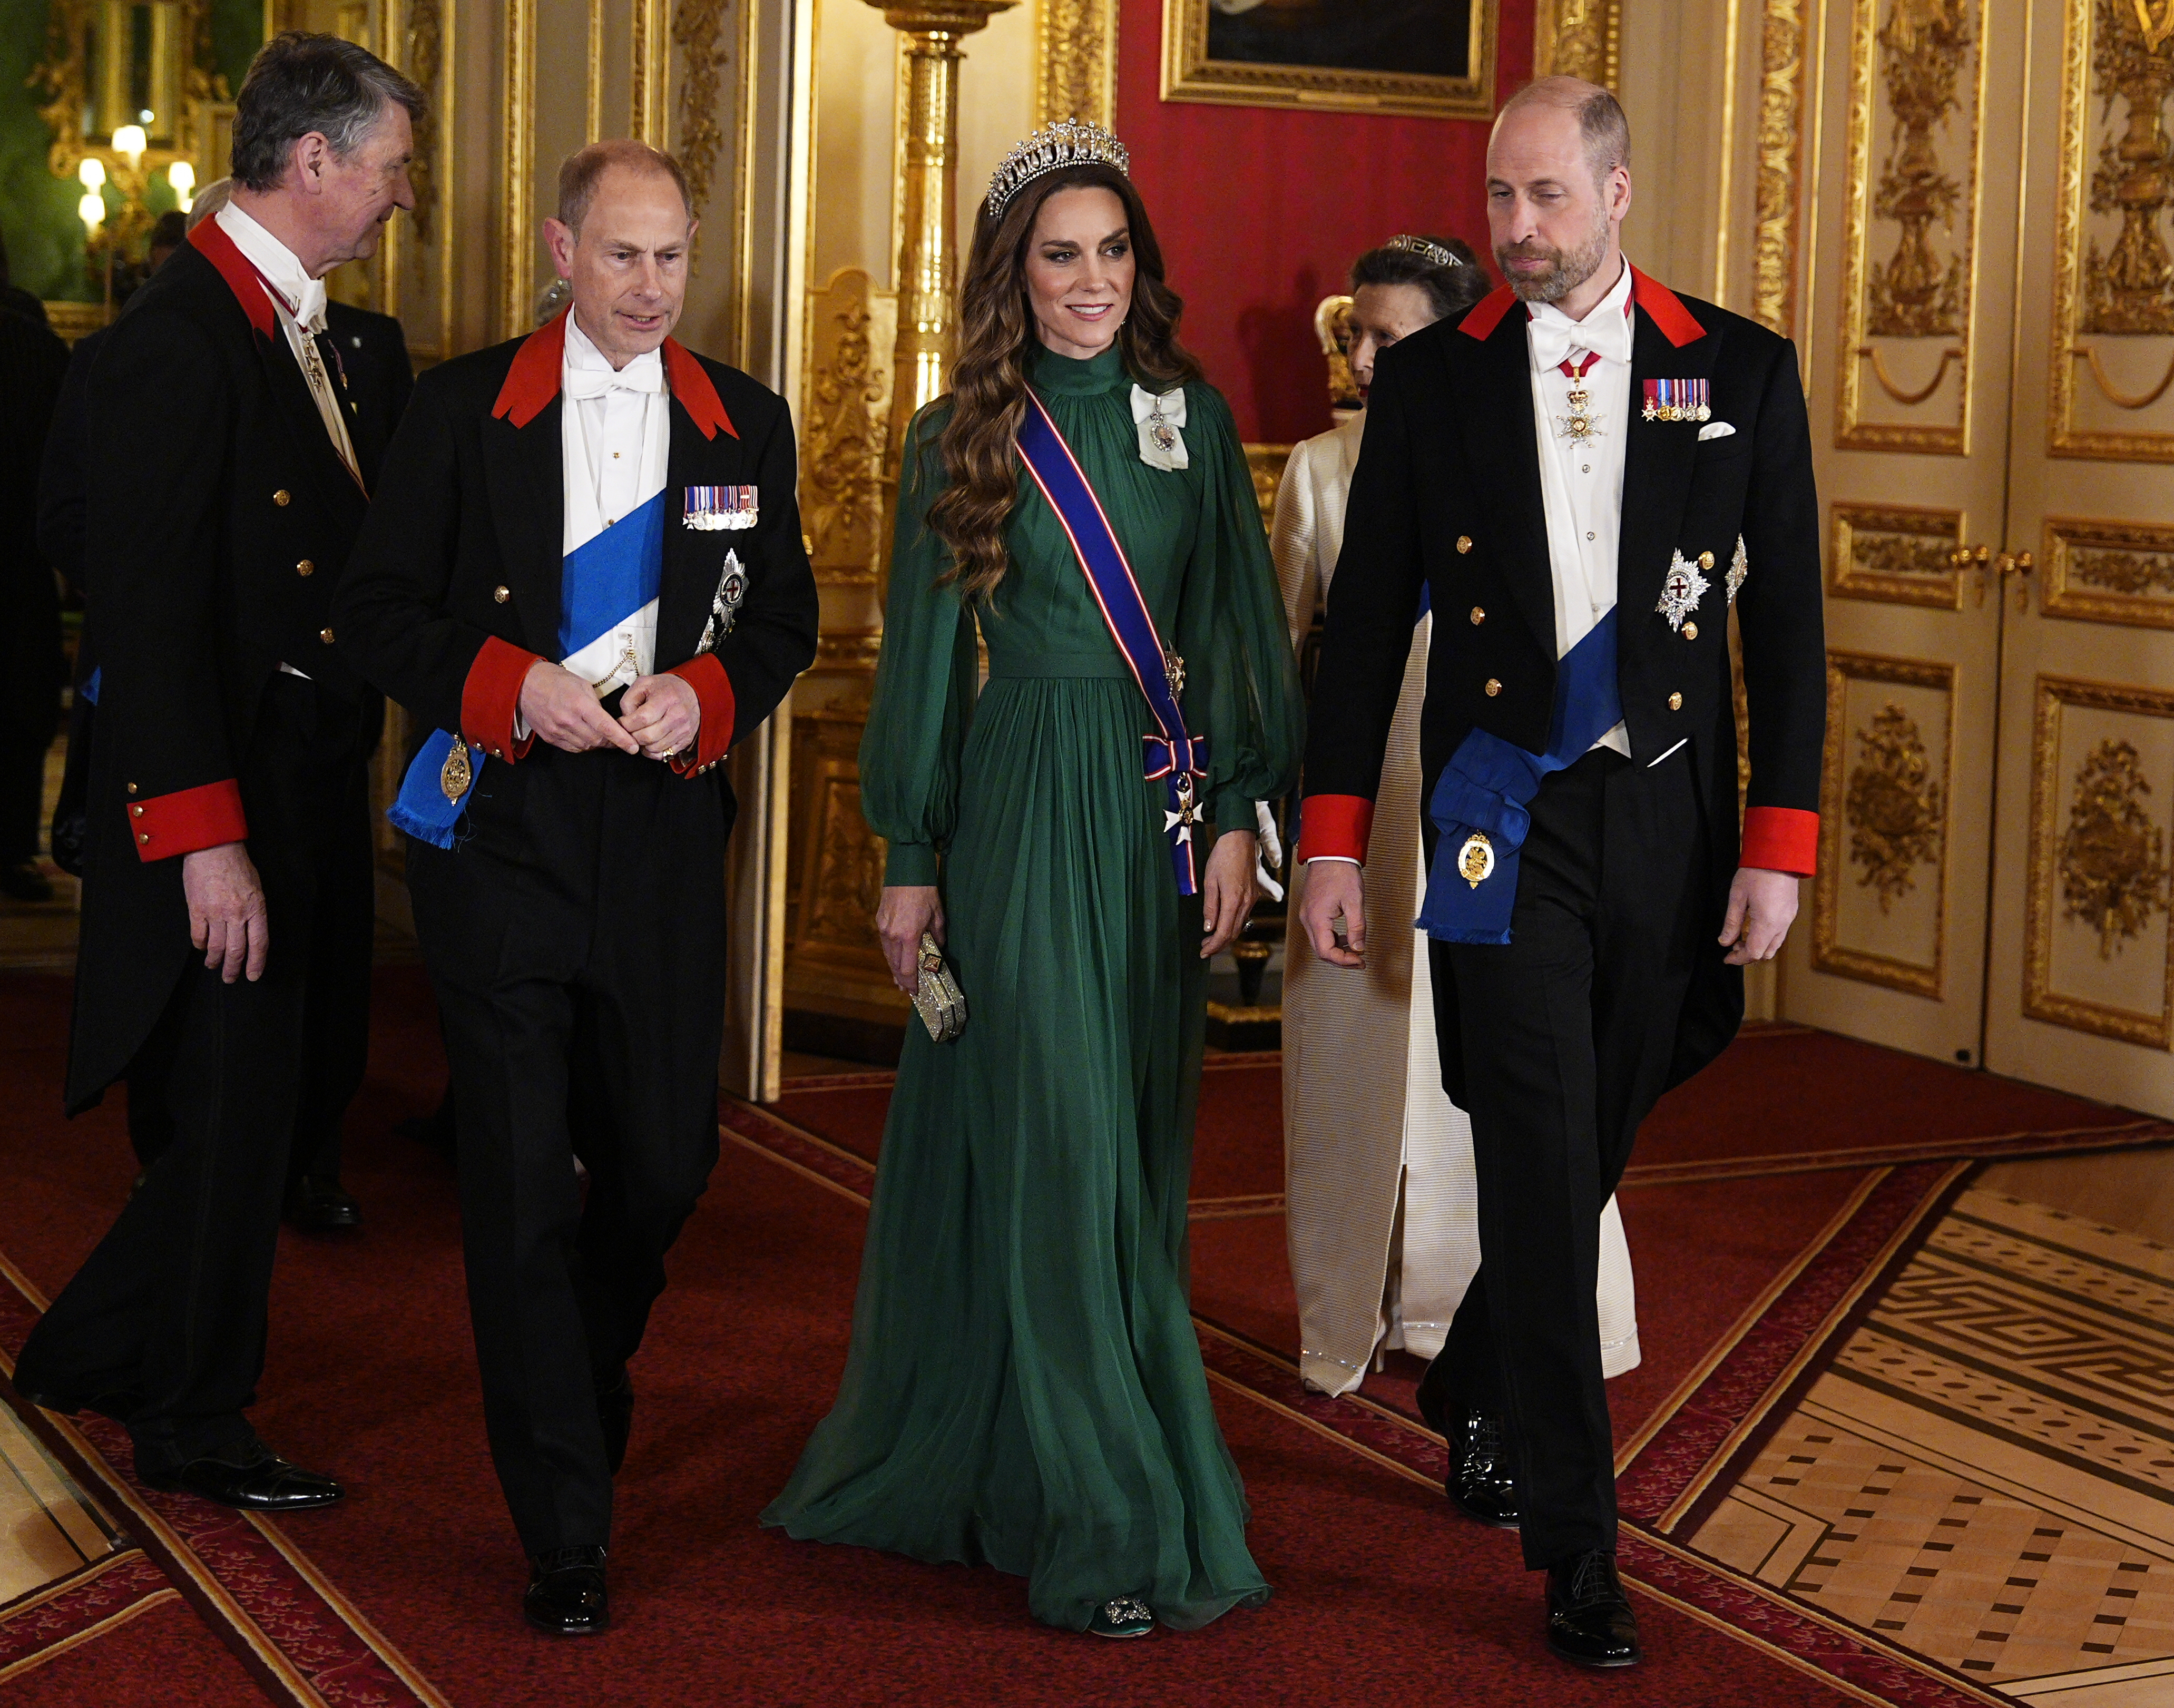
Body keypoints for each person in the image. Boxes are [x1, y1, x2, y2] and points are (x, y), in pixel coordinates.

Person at [1295, 77, 1823, 1668]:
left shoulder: (1735, 369)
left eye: (1541, 199)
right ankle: (1579, 1552)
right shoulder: (1433, 386)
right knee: (1534, 1137)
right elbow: (1363, 621)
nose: (1511, 233)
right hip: (1494, 811)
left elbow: (1787, 628)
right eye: (1495, 202)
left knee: (1609, 1103)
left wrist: (1778, 847)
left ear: (1615, 189)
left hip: (1664, 819)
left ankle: (1470, 1364)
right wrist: (1331, 833)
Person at [763, 119, 1303, 1640]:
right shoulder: (958, 434)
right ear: (1015, 273)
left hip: (1149, 809)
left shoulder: (1188, 422)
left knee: (1122, 1159)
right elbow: (929, 663)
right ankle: (1110, 1516)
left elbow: (1241, 639)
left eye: (1111, 252)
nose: (1088, 281)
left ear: (1141, 267)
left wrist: (1240, 818)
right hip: (1011, 808)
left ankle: (1045, 1446)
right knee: (1059, 1142)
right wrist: (909, 857)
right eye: (1059, 255)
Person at [334, 139, 818, 1635]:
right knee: (519, 1182)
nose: (651, 286)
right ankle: (565, 1525)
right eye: (622, 256)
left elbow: (783, 613)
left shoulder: (744, 418)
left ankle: (576, 1365)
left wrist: (714, 696)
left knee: (666, 1163)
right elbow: (374, 616)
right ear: (559, 249)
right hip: (506, 837)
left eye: (672, 255)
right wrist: (509, 684)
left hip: (664, 838)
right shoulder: (459, 407)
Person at [12, 33, 424, 1514]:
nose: (398, 196)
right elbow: (145, 607)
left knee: (280, 1094)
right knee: (237, 1111)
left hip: (301, 782)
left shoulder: (301, 329)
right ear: (311, 162)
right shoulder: (178, 343)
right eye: (386, 169)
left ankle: (94, 1341)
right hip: (221, 802)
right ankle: (190, 1418)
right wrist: (203, 838)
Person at [1279, 234, 1643, 1437]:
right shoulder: (1321, 471)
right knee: (1365, 1054)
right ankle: (1365, 1301)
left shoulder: (1533, 459)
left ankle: (1476, 1312)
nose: (1372, 361)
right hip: (1374, 801)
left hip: (1499, 805)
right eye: (1361, 337)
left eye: (1398, 338)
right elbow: (1294, 656)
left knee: (1502, 1071)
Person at [36, 177, 412, 1230]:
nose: (403, 195)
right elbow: (86, 530)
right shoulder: (157, 346)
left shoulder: (358, 347)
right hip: (211, 712)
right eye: (390, 166)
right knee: (213, 1008)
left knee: (321, 972)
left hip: (328, 714)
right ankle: (179, 1188)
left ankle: (303, 1158)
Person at [0, 305, 70, 904]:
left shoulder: (37, 353)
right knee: (20, 711)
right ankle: (13, 848)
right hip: (23, 565)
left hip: (22, 563)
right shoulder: (39, 351)